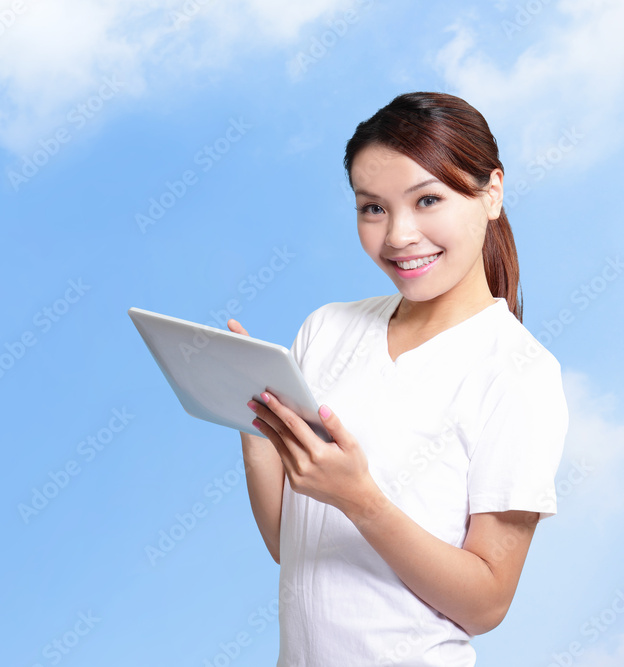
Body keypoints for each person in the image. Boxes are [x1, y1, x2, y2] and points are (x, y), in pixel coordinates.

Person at [228, 91, 569, 666]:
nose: (398, 236)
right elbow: (294, 549)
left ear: (492, 193)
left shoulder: (518, 372)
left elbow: (485, 604)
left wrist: (363, 501)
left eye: (428, 199)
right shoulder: (326, 329)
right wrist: (255, 424)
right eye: (373, 208)